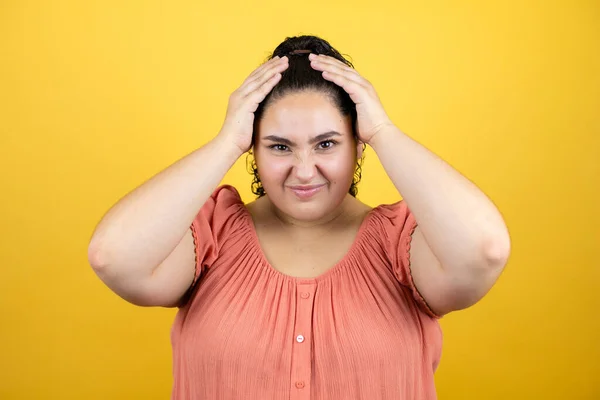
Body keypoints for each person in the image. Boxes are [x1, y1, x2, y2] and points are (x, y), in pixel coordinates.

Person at [88, 35, 511, 399]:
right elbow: (114, 257)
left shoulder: (403, 244)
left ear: (357, 145)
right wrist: (226, 142)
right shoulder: (210, 234)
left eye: (326, 144)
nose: (304, 170)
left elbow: (484, 251)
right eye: (278, 146)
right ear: (253, 150)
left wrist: (384, 131)